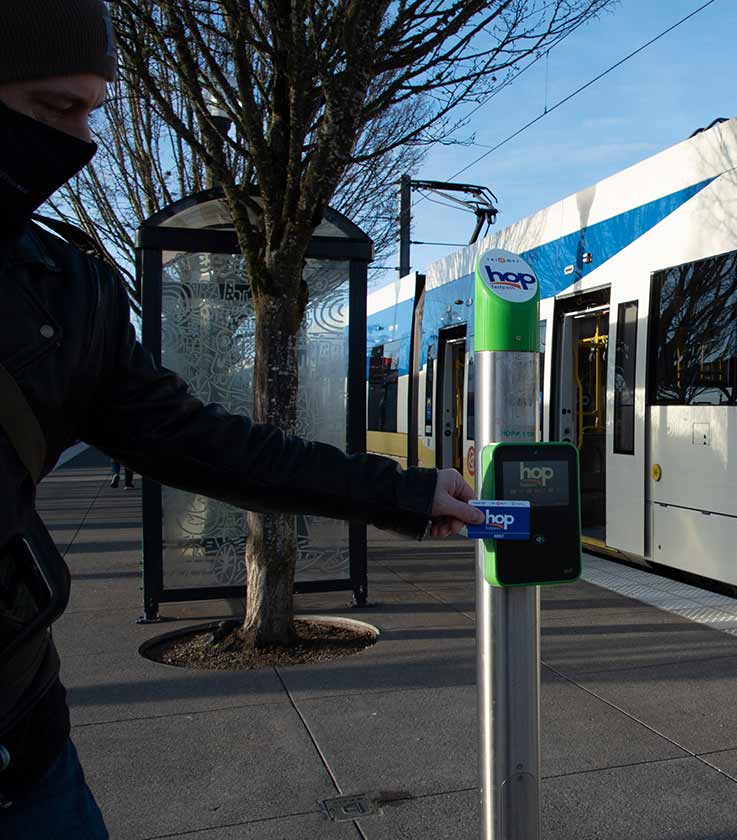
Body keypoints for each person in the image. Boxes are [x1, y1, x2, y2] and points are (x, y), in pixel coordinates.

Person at [0, 3, 483, 837]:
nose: (83, 143)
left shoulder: (62, 286)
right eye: (52, 110)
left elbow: (201, 442)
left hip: (24, 730)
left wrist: (402, 493)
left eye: (91, 111)